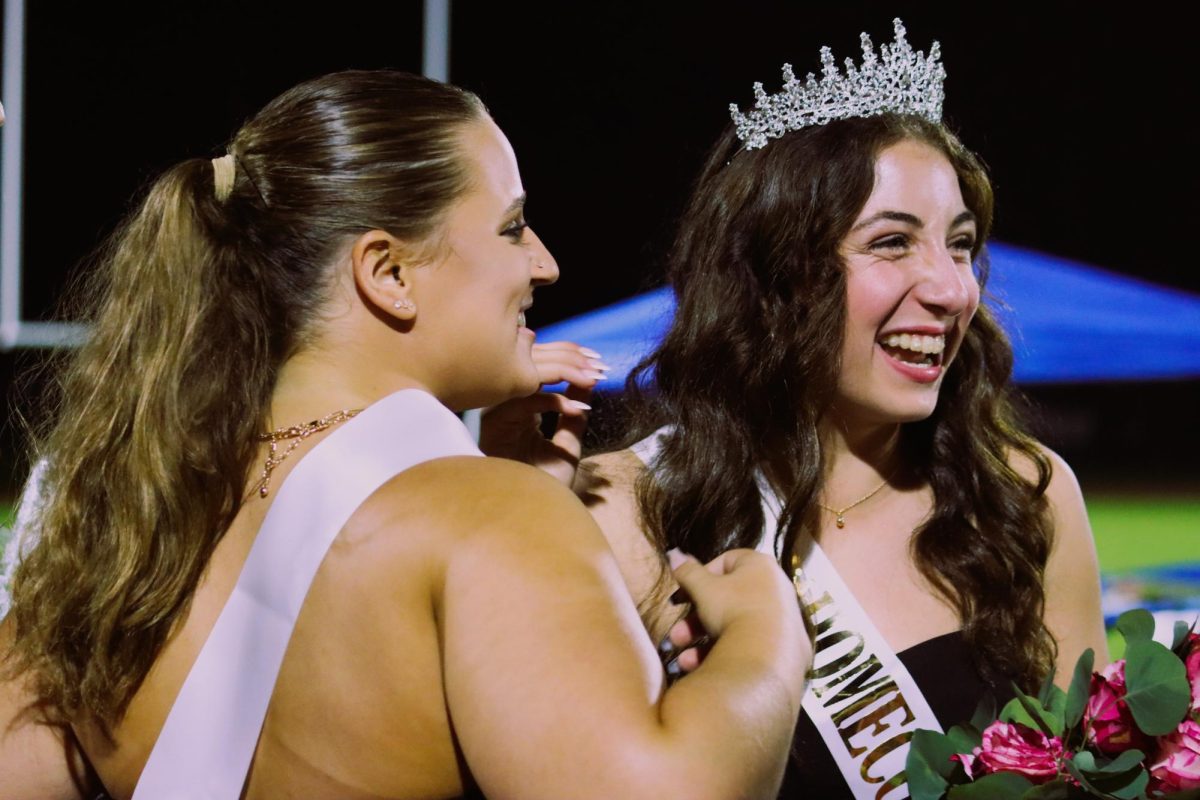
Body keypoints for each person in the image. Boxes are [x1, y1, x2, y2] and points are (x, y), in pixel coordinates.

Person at [0, 70, 810, 799]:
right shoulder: (488, 519)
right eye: (512, 227)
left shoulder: (131, 514)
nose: (546, 264)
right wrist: (767, 636)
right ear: (387, 274)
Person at [574, 20, 1108, 799]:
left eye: (959, 245)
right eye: (893, 243)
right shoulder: (633, 508)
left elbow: (1090, 776)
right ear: (774, 277)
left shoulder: (1025, 495)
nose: (952, 288)